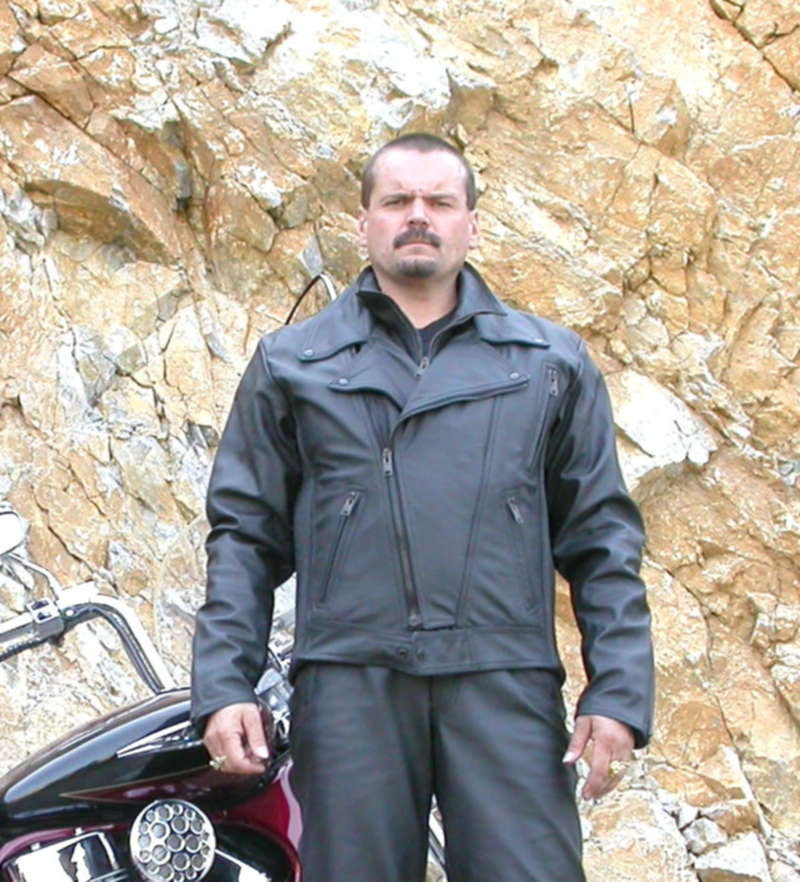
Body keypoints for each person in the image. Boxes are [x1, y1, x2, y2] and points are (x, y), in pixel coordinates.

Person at [191, 133, 654, 882]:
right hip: (351, 687)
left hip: (505, 681)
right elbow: (244, 536)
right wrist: (223, 686)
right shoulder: (294, 364)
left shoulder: (548, 365)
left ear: (471, 224)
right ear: (363, 223)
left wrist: (619, 691)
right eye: (396, 201)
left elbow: (602, 539)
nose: (418, 216)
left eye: (439, 201)